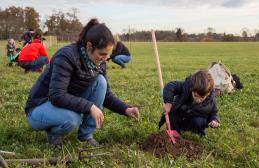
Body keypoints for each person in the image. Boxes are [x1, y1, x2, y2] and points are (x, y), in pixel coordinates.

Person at [25, 19, 140, 147]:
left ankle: (86, 135)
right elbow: (56, 95)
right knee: (72, 119)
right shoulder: (66, 56)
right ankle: (54, 134)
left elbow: (106, 95)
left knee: (101, 82)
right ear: (89, 46)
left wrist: (125, 109)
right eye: (102, 54)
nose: (105, 59)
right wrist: (90, 106)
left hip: (63, 103)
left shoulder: (99, 62)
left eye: (107, 55)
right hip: (40, 106)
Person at [159, 69, 220, 136]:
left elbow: (213, 112)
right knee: (172, 113)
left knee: (199, 122)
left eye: (202, 97)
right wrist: (168, 103)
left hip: (193, 120)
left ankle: (195, 132)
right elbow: (170, 86)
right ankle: (174, 132)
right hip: (180, 115)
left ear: (208, 94)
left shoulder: (210, 101)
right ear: (192, 88)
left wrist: (215, 120)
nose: (198, 100)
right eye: (195, 96)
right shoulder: (186, 87)